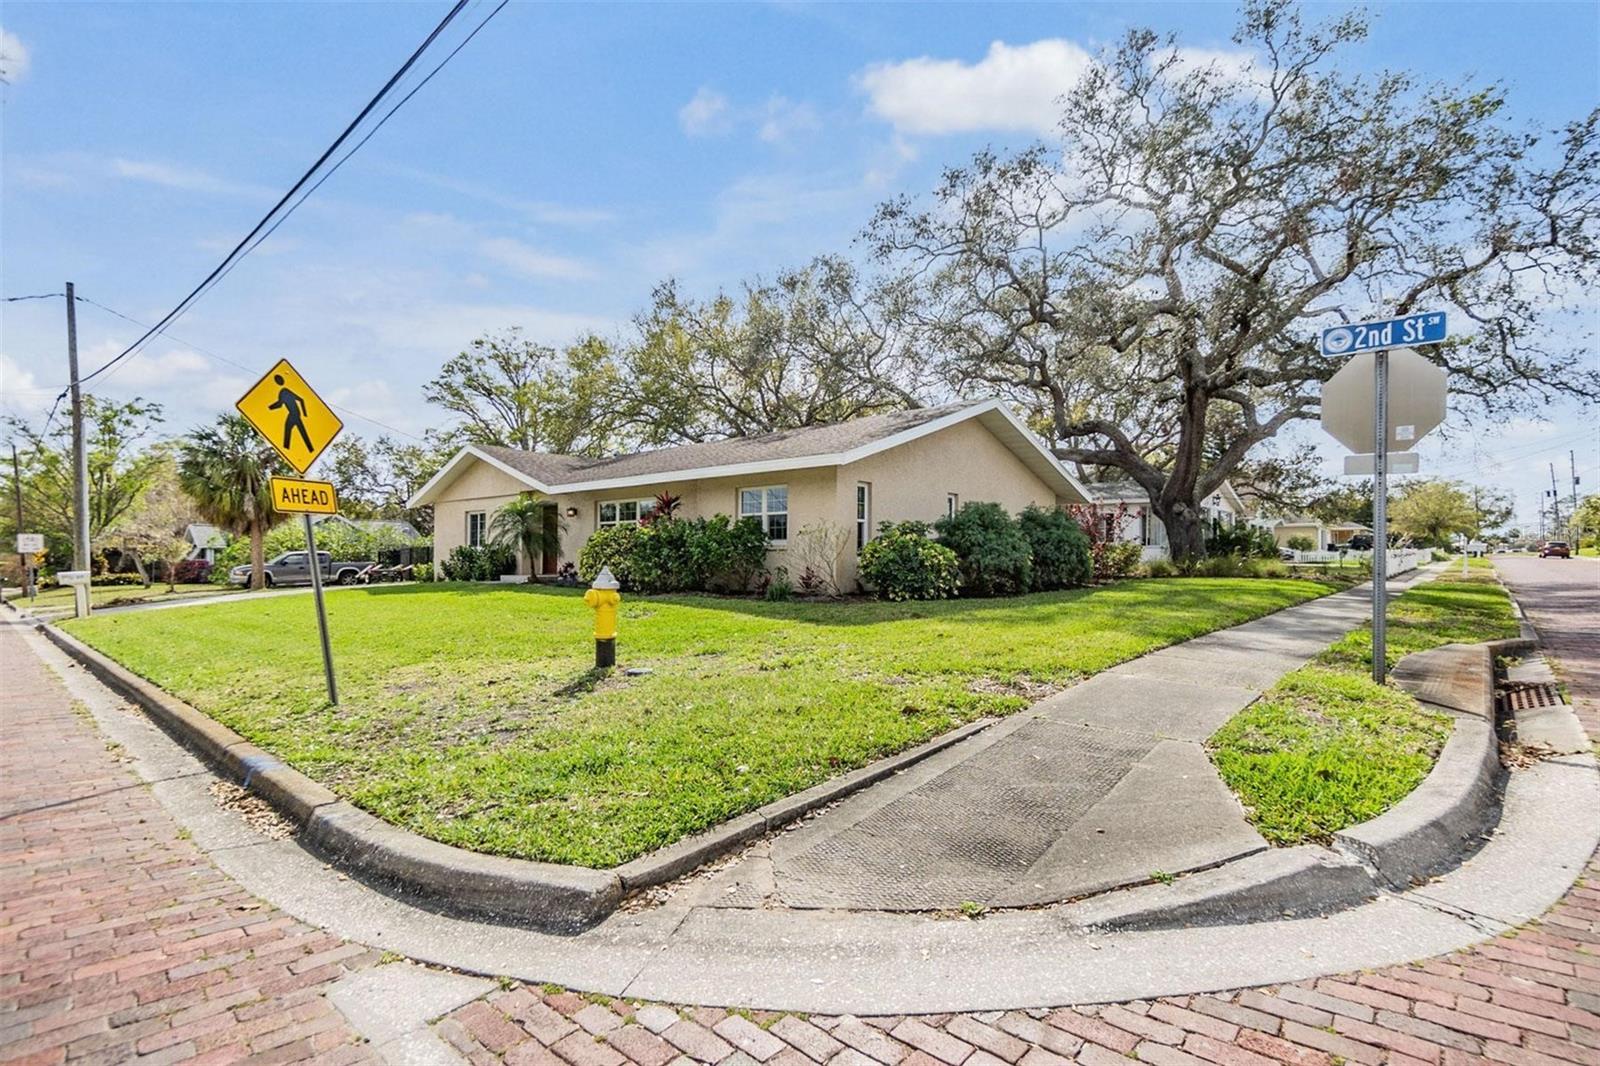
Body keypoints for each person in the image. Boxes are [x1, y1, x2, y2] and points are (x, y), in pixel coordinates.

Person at [267, 374, 313, 452]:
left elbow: (280, 404)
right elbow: (281, 404)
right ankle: (309, 449)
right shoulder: (285, 391)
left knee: (290, 430)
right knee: (301, 432)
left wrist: (305, 414)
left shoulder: (284, 392)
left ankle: (286, 448)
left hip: (293, 414)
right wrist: (270, 407)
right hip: (295, 414)